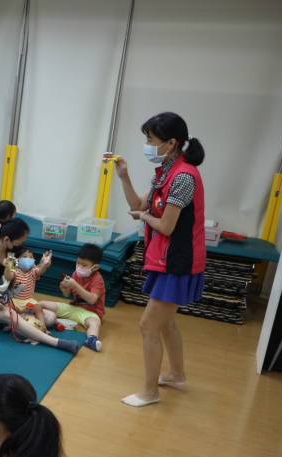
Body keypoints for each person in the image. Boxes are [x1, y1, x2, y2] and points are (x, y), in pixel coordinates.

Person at [113, 112, 206, 407]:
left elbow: (164, 225)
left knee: (148, 326)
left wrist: (144, 217)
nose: (147, 145)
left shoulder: (184, 177)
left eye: (150, 139)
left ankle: (150, 392)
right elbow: (137, 206)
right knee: (165, 324)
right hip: (164, 259)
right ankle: (177, 374)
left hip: (177, 262)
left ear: (171, 143)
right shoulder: (166, 171)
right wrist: (124, 176)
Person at [0, 218, 79, 354]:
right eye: (20, 242)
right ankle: (55, 342)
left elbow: (22, 274)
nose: (21, 246)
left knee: (49, 317)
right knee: (9, 313)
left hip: (7, 302)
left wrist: (43, 265)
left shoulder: (11, 252)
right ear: (6, 239)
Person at [39, 244, 106, 352]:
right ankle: (40, 320)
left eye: (84, 265)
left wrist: (75, 286)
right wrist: (64, 289)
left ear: (95, 267)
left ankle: (91, 340)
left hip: (90, 313)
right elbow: (67, 295)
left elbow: (92, 300)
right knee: (41, 303)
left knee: (95, 323)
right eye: (78, 263)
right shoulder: (76, 274)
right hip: (73, 308)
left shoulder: (97, 279)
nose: (79, 267)